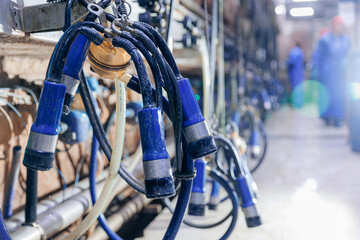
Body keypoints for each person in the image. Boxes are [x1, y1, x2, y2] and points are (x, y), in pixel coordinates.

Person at [317, 16, 350, 127]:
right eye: (338, 26)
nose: (340, 28)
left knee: (339, 96)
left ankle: (338, 117)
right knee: (327, 95)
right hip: (328, 74)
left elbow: (348, 55)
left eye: (341, 26)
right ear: (333, 26)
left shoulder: (346, 40)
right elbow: (319, 57)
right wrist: (318, 73)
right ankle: (326, 117)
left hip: (341, 74)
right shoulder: (325, 40)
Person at [287, 41, 305, 108]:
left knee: (295, 88)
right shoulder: (300, 51)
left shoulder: (295, 51)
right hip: (299, 72)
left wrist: (286, 63)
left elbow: (292, 61)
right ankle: (299, 103)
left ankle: (296, 104)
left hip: (295, 73)